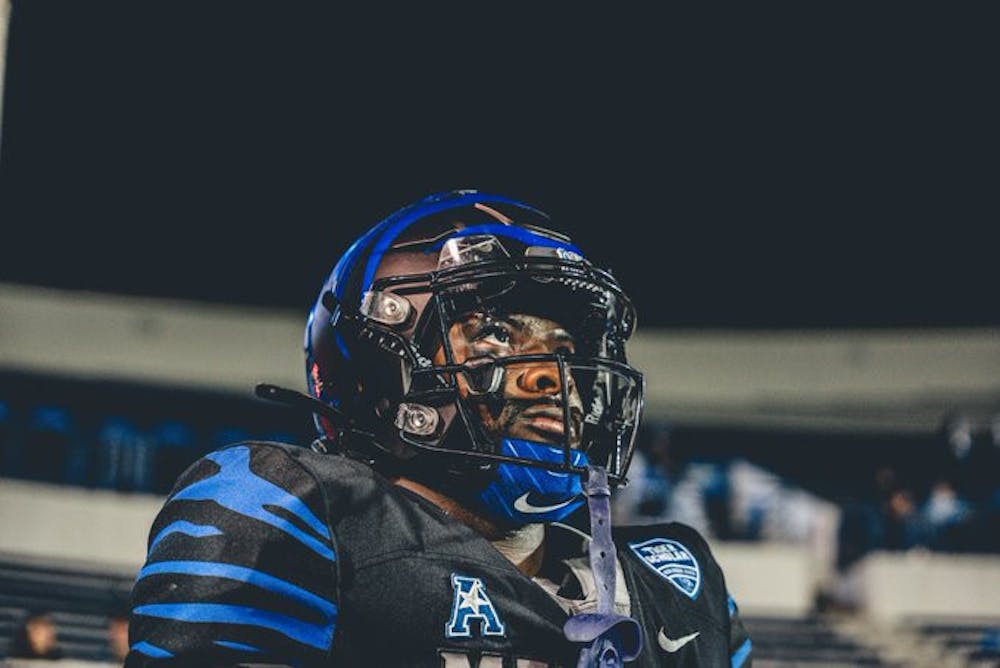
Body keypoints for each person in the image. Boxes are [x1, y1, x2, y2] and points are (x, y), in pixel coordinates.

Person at [127, 190, 753, 667]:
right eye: (495, 335)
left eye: (564, 349)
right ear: (384, 364)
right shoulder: (292, 512)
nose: (552, 376)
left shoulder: (674, 579)